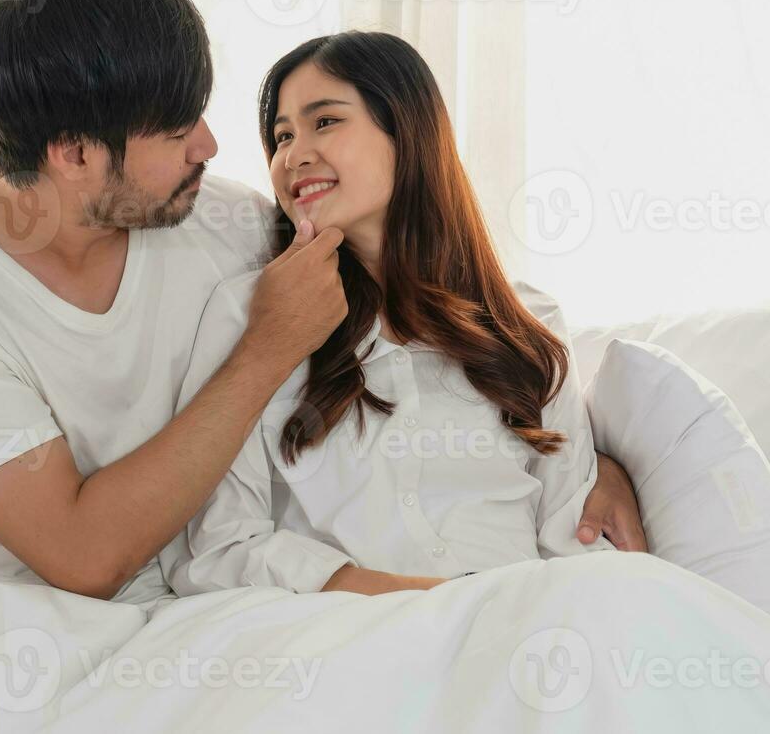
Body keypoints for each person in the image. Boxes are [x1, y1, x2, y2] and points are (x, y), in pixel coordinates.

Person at [0, 0, 642, 612]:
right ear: (75, 153)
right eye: (175, 128)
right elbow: (86, 561)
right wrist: (268, 345)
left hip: (213, 622)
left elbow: (430, 307)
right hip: (22, 621)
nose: (211, 146)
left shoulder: (223, 222)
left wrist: (587, 460)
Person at [164, 31, 625, 597]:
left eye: (325, 122)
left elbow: (568, 532)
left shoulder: (530, 322)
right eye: (282, 136)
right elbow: (219, 547)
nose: (294, 155)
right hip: (354, 639)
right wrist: (413, 598)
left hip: (523, 639)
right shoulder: (248, 313)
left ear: (408, 131)